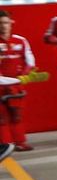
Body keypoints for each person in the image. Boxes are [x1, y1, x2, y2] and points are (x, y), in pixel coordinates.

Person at [0, 9, 47, 152]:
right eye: (0, 23)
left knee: (17, 115)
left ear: (11, 23)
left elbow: (30, 60)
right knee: (1, 117)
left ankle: (20, 142)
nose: (3, 26)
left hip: (17, 85)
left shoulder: (21, 40)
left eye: (6, 23)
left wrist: (26, 75)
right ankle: (5, 145)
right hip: (1, 85)